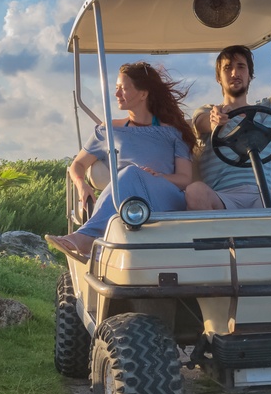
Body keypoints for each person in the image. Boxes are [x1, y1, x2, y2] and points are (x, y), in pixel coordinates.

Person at [45, 62, 197, 259]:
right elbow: (78, 164)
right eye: (116, 88)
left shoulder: (173, 132)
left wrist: (157, 176)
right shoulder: (109, 130)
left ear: (143, 94)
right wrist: (81, 184)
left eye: (123, 89)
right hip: (127, 204)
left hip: (166, 199)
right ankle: (93, 238)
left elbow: (185, 179)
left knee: (131, 172)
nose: (117, 94)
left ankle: (87, 237)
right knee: (130, 175)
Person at [185, 25, 271, 210]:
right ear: (219, 77)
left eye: (241, 67)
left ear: (250, 75)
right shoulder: (210, 111)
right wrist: (215, 121)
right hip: (223, 198)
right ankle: (214, 239)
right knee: (195, 191)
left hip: (265, 195)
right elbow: (203, 123)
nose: (234, 73)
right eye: (227, 68)